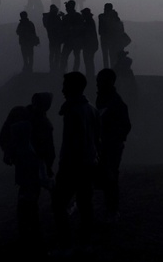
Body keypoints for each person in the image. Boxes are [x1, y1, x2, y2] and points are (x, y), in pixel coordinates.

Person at [0, 93, 56, 256]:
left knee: (25, 200)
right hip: (34, 164)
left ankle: (27, 235)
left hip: (24, 164)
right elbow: (49, 150)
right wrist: (49, 167)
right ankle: (32, 236)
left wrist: (9, 153)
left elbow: (3, 136)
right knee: (29, 200)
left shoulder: (19, 114)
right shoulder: (43, 122)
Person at [51, 72, 101, 254]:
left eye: (65, 85)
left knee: (58, 204)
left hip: (73, 165)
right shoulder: (92, 109)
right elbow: (96, 140)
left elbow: (72, 143)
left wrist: (64, 166)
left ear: (73, 87)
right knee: (85, 204)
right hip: (89, 164)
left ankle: (66, 245)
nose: (63, 89)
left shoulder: (72, 111)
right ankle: (84, 243)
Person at [95, 68, 131, 222]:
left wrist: (114, 140)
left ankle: (112, 210)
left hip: (111, 145)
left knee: (110, 176)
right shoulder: (106, 99)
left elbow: (126, 126)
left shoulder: (114, 102)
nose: (97, 84)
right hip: (106, 144)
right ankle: (110, 208)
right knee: (107, 176)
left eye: (100, 81)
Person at [60, 0, 84, 73]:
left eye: (67, 7)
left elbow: (63, 28)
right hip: (75, 40)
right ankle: (74, 71)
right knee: (75, 56)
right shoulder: (78, 16)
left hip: (70, 40)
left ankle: (63, 71)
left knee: (65, 56)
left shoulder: (68, 17)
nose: (66, 9)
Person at [42, 4, 64, 74]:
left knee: (53, 53)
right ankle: (54, 67)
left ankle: (53, 67)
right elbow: (61, 26)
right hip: (55, 38)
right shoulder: (53, 18)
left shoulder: (49, 18)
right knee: (56, 53)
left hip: (53, 38)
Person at [81, 8, 99, 81]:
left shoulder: (88, 22)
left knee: (88, 61)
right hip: (92, 45)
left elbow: (86, 34)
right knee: (89, 61)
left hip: (89, 45)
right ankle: (90, 75)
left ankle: (90, 76)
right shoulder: (90, 21)